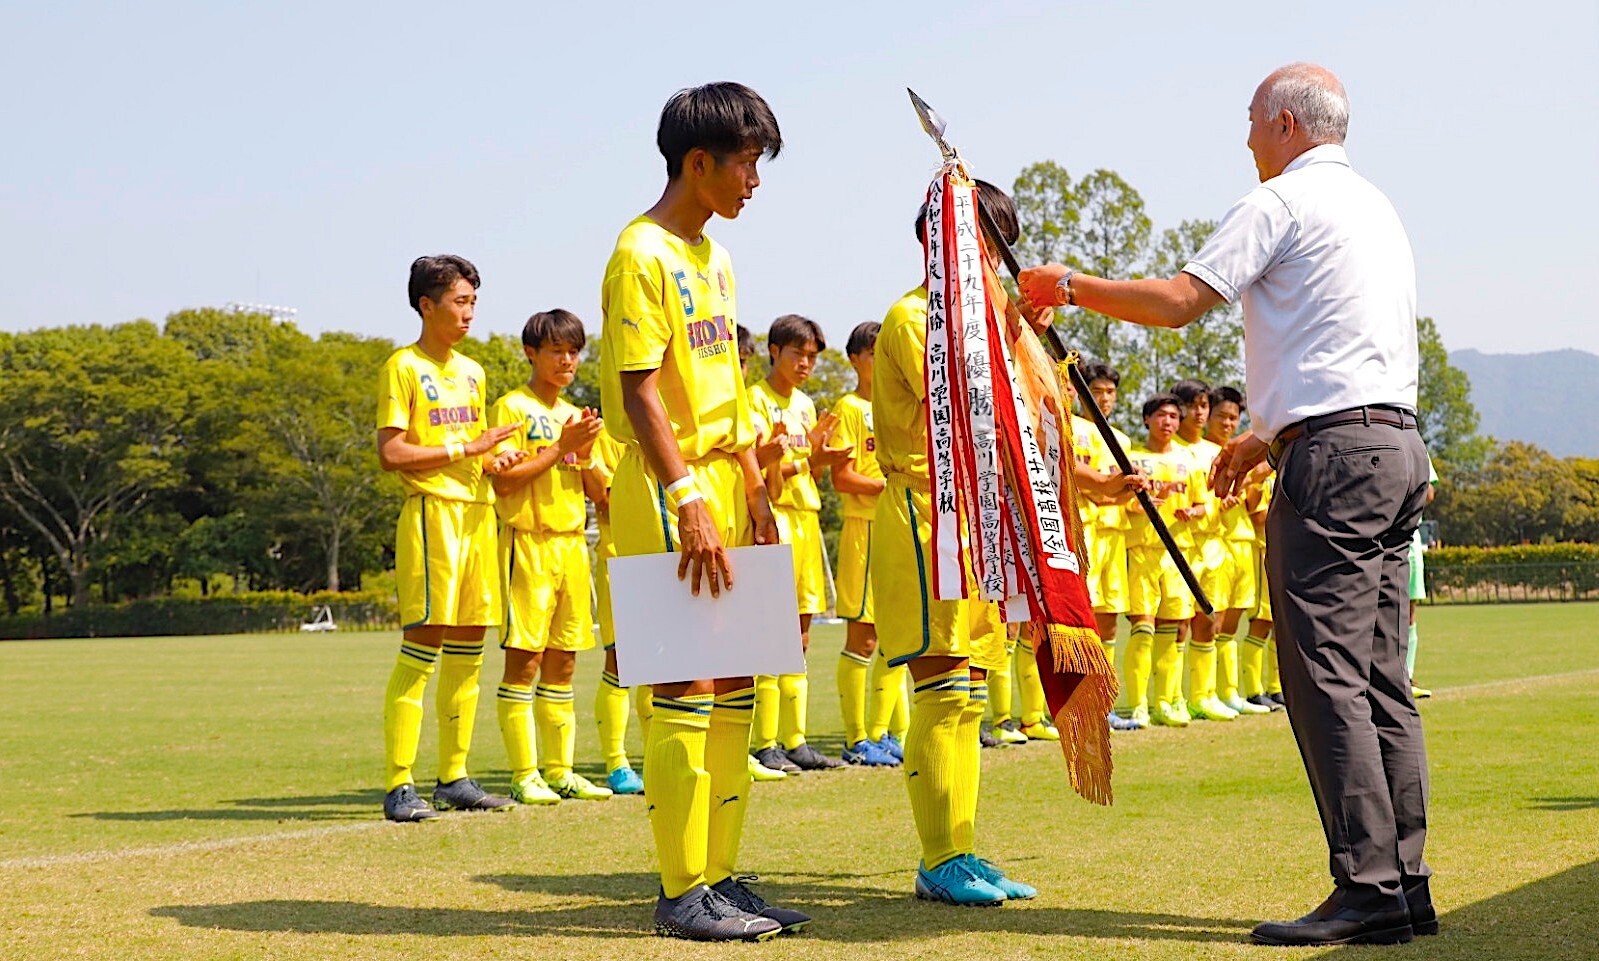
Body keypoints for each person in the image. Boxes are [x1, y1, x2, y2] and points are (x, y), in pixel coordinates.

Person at [1020, 63, 1434, 947]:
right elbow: (1346, 344)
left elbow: (1179, 303)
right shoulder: (1375, 209)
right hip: (1393, 447)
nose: (1245, 138)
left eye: (1250, 121)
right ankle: (1404, 879)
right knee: (1378, 675)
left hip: (1333, 460)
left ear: (1284, 122)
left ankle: (1364, 884)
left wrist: (1067, 287)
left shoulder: (1280, 202)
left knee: (1322, 675)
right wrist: (1267, 432)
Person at [598, 81, 806, 941]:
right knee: (684, 685)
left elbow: (719, 383)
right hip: (666, 483)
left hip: (727, 477)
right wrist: (686, 495)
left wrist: (753, 487)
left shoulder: (713, 257)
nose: (754, 180)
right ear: (698, 162)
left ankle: (720, 874)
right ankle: (680, 888)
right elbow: (638, 388)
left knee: (737, 688)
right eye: (748, 162)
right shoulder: (639, 252)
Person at [376, 254, 525, 822]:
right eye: (460, 302)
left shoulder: (473, 371)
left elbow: (473, 446)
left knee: (469, 651)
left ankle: (454, 777)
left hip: (476, 515)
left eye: (473, 302)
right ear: (426, 305)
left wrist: (495, 455)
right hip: (431, 515)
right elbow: (392, 453)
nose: (469, 313)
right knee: (423, 649)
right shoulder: (403, 367)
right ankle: (398, 784)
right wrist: (469, 449)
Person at [489, 309, 613, 803]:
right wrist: (558, 447)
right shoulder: (511, 408)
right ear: (531, 353)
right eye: (556, 351)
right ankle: (524, 773)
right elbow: (502, 479)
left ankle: (559, 770)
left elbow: (599, 492)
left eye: (573, 351)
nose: (567, 361)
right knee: (526, 659)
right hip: (529, 542)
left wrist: (581, 454)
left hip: (572, 544)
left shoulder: (575, 415)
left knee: (564, 662)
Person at [749, 314, 848, 773]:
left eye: (812, 356)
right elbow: (760, 478)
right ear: (774, 351)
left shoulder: (806, 405)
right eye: (798, 354)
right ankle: (763, 741)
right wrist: (796, 459)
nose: (805, 363)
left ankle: (796, 740)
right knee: (771, 632)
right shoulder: (754, 401)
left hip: (806, 521)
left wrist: (818, 458)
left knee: (801, 633)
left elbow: (808, 469)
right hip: (774, 521)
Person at [829, 321, 901, 766]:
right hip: (864, 529)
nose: (880, 362)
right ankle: (855, 739)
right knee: (864, 635)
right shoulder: (850, 408)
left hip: (897, 525)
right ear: (855, 359)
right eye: (872, 354)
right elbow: (842, 478)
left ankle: (881, 732)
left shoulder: (896, 405)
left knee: (894, 636)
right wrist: (889, 486)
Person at [1122, 394, 1200, 729]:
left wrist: (1190, 511)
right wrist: (1151, 501)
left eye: (1172, 416)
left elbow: (1202, 505)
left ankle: (1166, 702)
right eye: (1160, 416)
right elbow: (1123, 504)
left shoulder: (1189, 461)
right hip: (1142, 550)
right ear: (1146, 420)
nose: (1167, 422)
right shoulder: (1132, 458)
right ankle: (1137, 704)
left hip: (1177, 552)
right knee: (1142, 630)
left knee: (1173, 630)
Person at [586, 423, 650, 794]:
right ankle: (616, 763)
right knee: (621, 660)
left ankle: (652, 754)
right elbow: (608, 502)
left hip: (658, 550)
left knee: (662, 660)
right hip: (618, 553)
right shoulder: (609, 432)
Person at [1080, 362, 1139, 731]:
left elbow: (1119, 493)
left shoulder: (1122, 438)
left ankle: (1103, 703)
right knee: (1077, 620)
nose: (1104, 398)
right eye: (1097, 390)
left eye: (1110, 392)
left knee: (1109, 620)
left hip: (1114, 535)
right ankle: (1070, 706)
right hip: (1081, 529)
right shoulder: (1069, 427)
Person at [1204, 386, 1270, 717]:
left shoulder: (1247, 452)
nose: (1228, 424)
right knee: (1211, 620)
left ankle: (1230, 692)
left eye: (1234, 418)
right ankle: (1207, 692)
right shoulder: (1202, 452)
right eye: (1222, 416)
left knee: (1235, 619)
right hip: (1214, 542)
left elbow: (1254, 500)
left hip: (1243, 541)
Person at [1170, 379, 1234, 722]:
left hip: (1213, 544)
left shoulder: (1215, 452)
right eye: (1193, 406)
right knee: (1178, 623)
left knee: (1212, 620)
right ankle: (1172, 695)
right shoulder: (1171, 449)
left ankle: (1203, 695)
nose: (1199, 413)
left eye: (1203, 406)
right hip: (1180, 546)